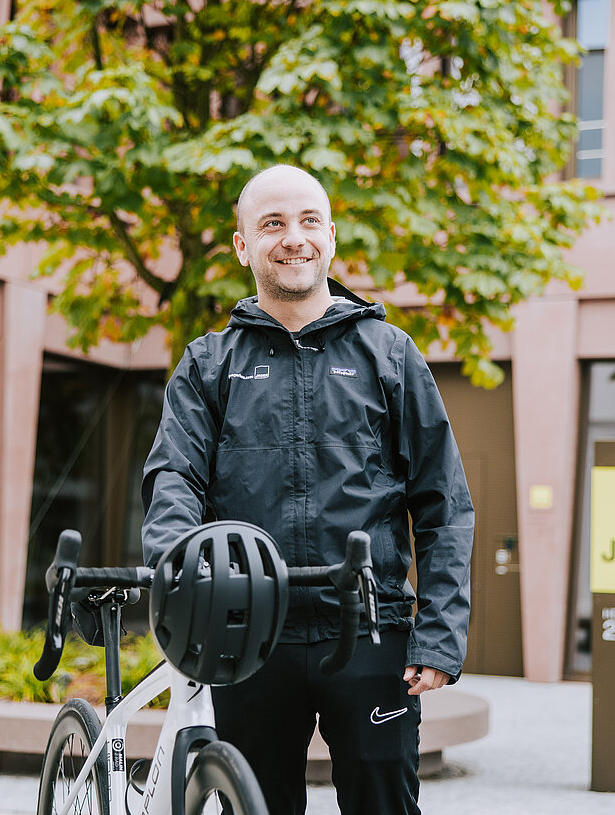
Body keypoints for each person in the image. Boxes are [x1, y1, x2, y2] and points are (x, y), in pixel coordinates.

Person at [141, 164, 475, 815]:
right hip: (248, 631)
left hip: (371, 631)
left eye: (308, 221)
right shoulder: (209, 363)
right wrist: (176, 570)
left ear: (330, 237)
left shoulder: (390, 354)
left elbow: (443, 502)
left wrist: (439, 635)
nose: (293, 237)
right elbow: (173, 478)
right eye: (272, 224)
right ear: (243, 246)